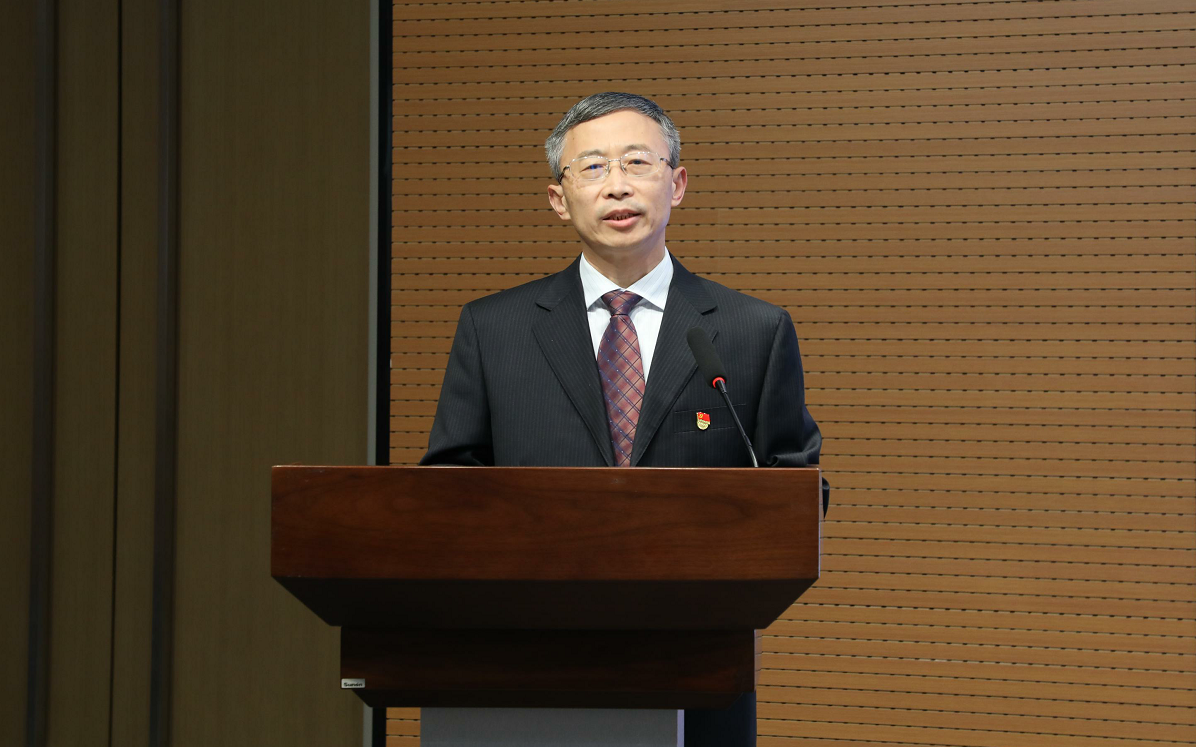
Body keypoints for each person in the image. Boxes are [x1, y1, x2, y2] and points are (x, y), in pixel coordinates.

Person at [421, 92, 825, 747]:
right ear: (559, 199)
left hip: (697, 664)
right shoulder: (494, 329)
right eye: (593, 167)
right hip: (527, 659)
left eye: (638, 162)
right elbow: (446, 490)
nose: (617, 185)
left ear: (677, 183)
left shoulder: (753, 331)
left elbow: (796, 488)